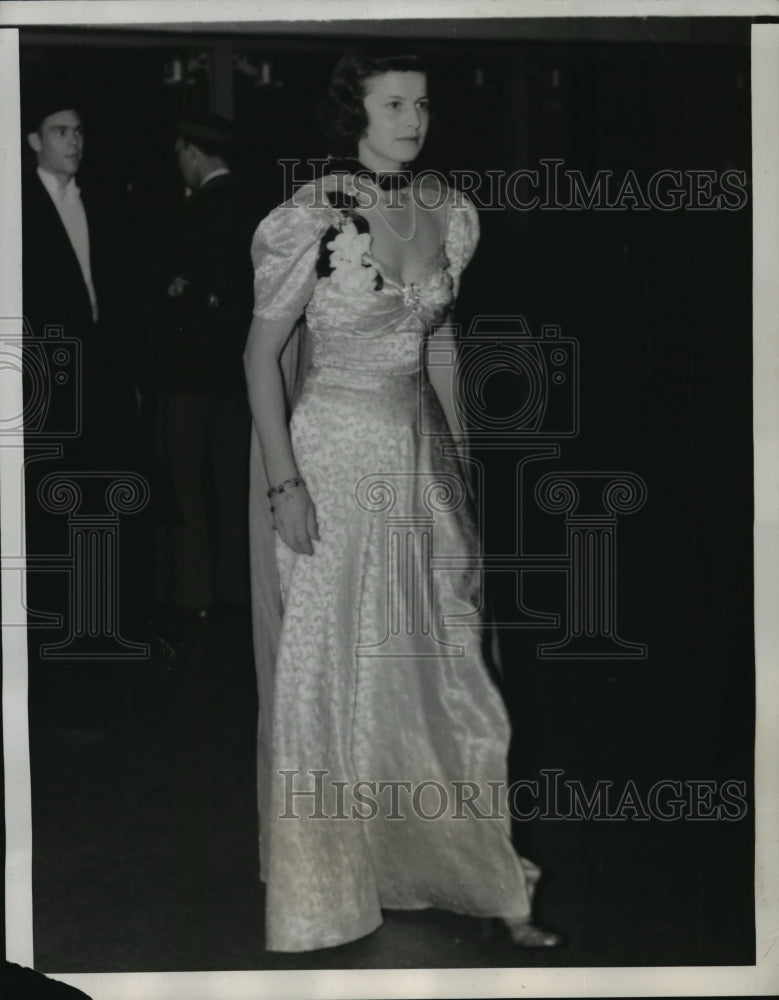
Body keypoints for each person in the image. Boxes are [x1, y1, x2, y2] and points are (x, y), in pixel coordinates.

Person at [243, 47, 562, 953]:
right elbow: (258, 359)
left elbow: (439, 346)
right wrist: (283, 485)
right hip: (333, 458)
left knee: (444, 662)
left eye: (420, 105)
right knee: (334, 667)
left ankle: (483, 879)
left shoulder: (446, 214)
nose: (412, 121)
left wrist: (455, 465)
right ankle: (326, 886)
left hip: (420, 457)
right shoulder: (312, 217)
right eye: (393, 105)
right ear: (356, 112)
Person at [146, 113, 256, 628]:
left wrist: (182, 290)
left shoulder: (190, 211)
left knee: (185, 485)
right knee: (235, 488)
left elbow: (159, 279)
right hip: (238, 375)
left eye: (179, 157)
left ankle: (194, 596)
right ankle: (238, 592)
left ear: (192, 152)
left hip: (187, 375)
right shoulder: (255, 207)